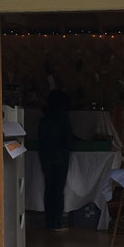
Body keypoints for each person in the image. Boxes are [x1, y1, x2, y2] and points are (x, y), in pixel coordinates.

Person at [38, 90, 73, 232]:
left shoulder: (43, 119)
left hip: (45, 157)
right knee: (58, 190)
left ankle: (49, 222)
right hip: (61, 157)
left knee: (48, 189)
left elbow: (40, 140)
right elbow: (69, 142)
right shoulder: (64, 119)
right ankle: (57, 222)